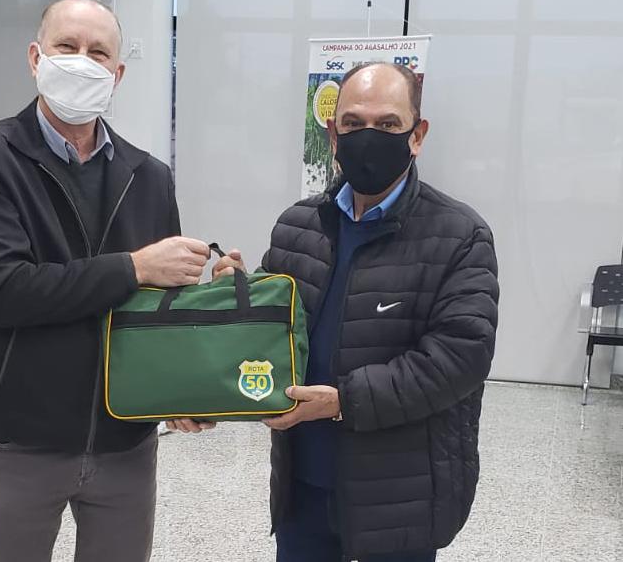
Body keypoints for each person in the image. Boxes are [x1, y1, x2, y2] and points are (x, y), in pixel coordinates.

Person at [0, 0, 212, 562]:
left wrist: (187, 388)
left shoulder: (149, 176)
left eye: (99, 53)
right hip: (19, 439)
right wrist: (135, 267)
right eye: (67, 47)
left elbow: (163, 309)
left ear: (118, 73)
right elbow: (5, 291)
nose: (82, 61)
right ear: (35, 57)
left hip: (124, 440)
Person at [214, 62, 499, 561]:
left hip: (399, 495)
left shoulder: (460, 235)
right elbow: (273, 324)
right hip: (303, 485)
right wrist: (236, 293)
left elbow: (460, 357)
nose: (369, 137)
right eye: (353, 123)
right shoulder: (298, 225)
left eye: (388, 124)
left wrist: (343, 400)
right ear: (333, 134)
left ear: (417, 135)